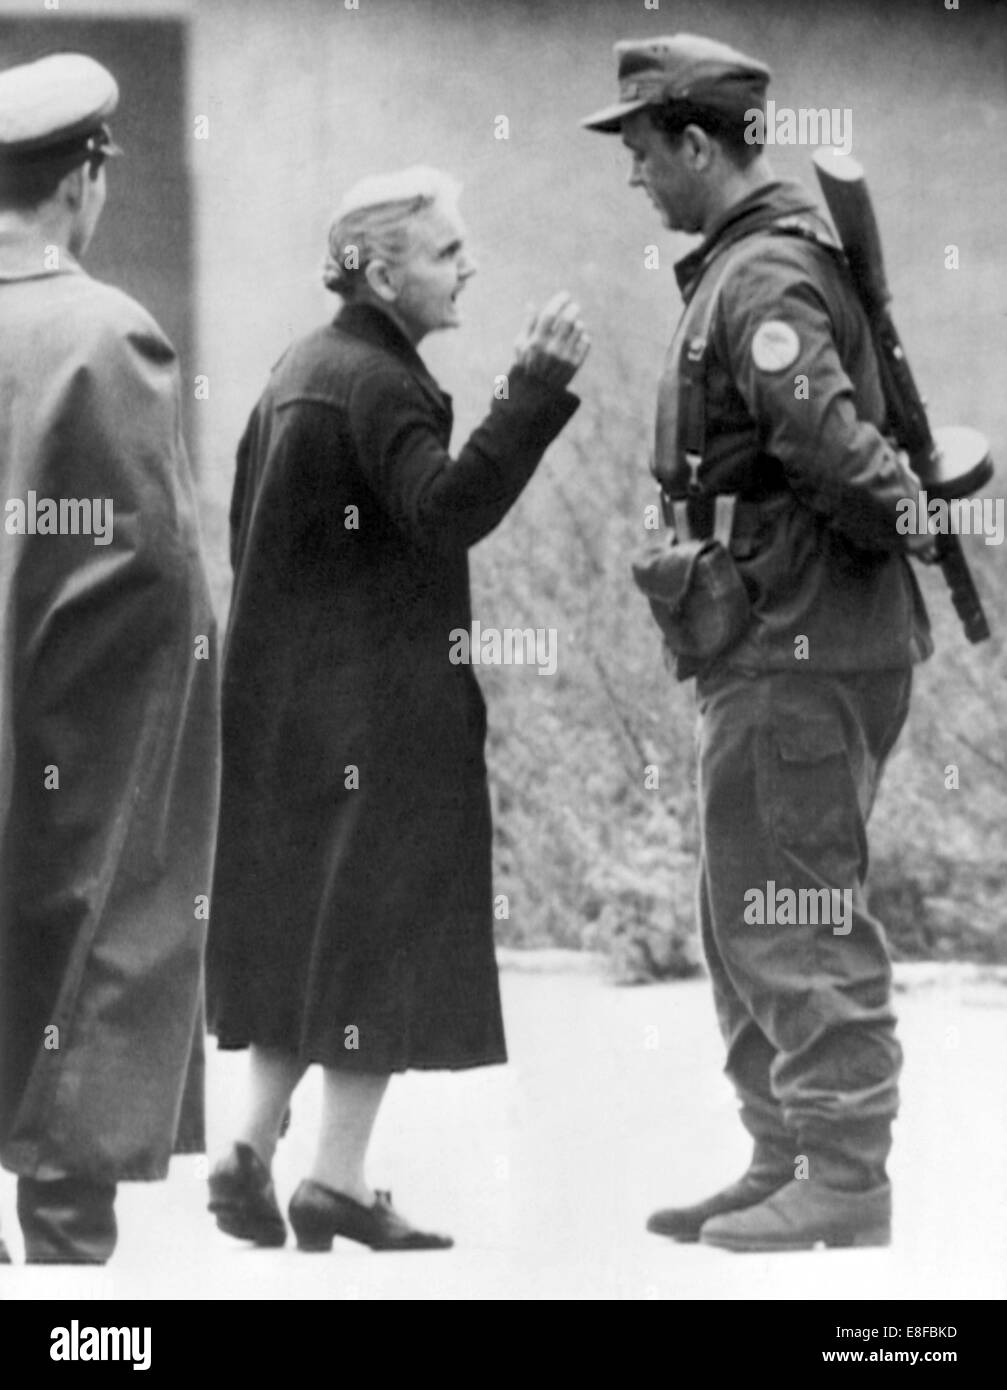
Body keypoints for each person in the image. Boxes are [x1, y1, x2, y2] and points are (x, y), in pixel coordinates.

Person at [581, 34, 934, 1251]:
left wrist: (879, 529)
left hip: (799, 645)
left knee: (793, 903)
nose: (633, 176)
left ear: (694, 142)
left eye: (639, 150)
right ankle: (784, 1150)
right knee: (743, 908)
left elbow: (839, 457)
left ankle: (840, 1172)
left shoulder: (763, 279)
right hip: (770, 638)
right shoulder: (742, 267)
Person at [206, 166, 589, 1252]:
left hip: (287, 703)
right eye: (446, 251)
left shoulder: (299, 366)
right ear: (380, 270)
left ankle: (248, 1143)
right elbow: (442, 512)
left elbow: (248, 531)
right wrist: (531, 392)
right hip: (378, 712)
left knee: (309, 923)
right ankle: (331, 1176)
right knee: (372, 930)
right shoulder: (377, 381)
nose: (468, 265)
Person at [0, 54, 219, 1263]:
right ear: (85, 179)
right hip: (57, 725)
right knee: (81, 948)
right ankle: (72, 1287)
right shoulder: (104, 334)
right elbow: (156, 581)